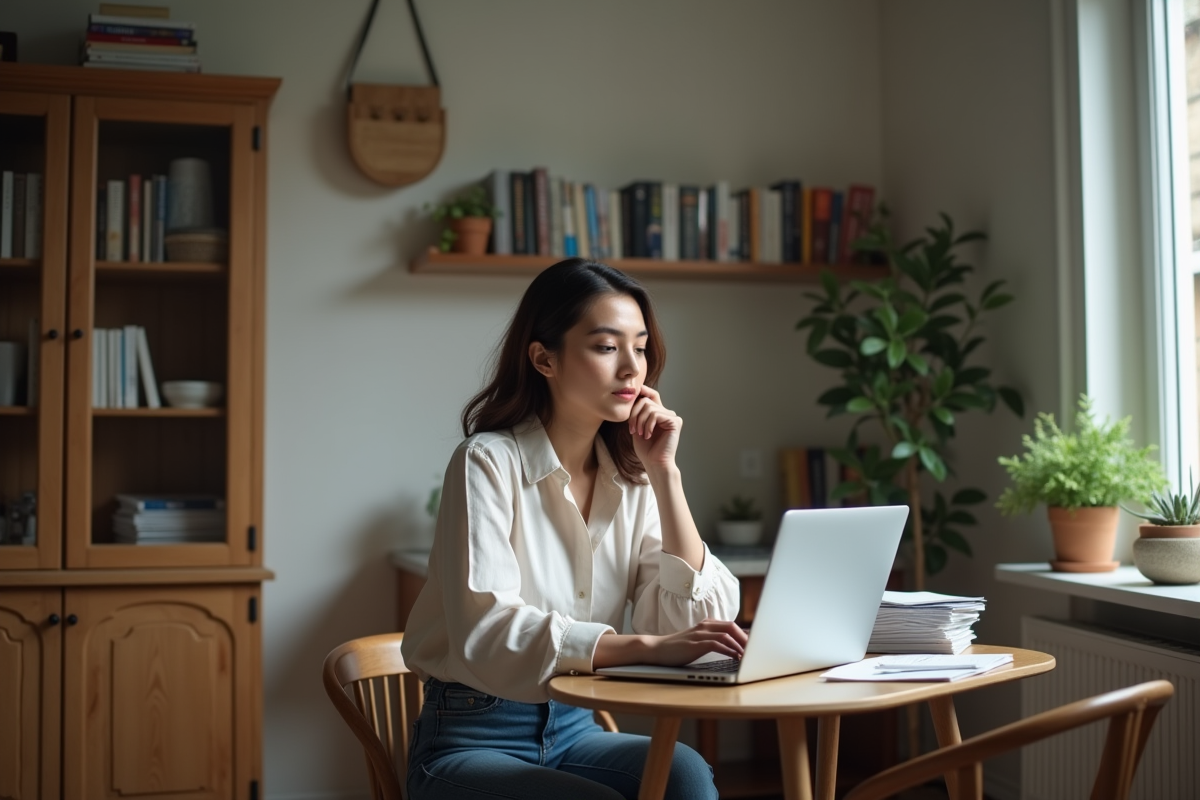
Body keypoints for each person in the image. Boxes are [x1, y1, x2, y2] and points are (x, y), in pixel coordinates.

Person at [401, 258, 745, 800]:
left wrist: (664, 473)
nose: (633, 369)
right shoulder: (486, 462)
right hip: (471, 736)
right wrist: (647, 647)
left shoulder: (631, 481)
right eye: (607, 347)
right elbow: (488, 631)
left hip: (577, 725)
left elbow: (699, 628)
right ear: (544, 358)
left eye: (641, 347)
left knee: (686, 773)